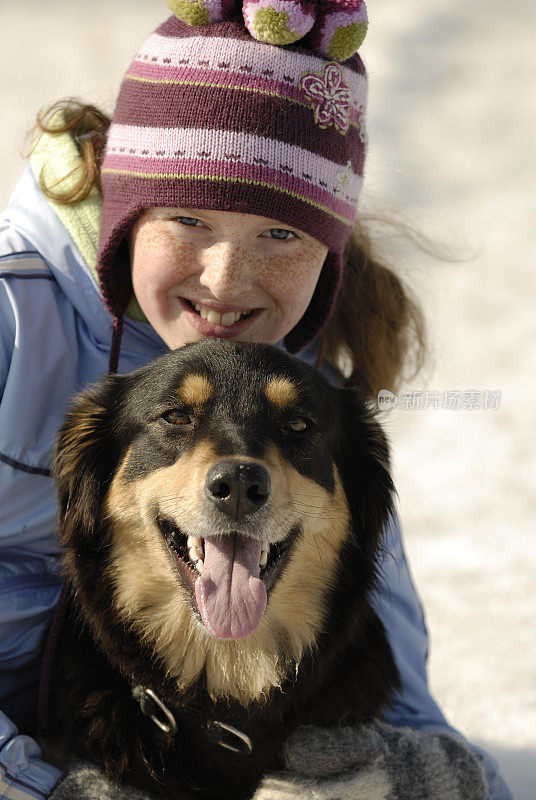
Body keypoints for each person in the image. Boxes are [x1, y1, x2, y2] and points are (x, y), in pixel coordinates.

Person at [0, 7, 512, 800]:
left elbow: (377, 624)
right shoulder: (12, 320)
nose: (224, 278)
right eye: (188, 219)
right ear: (129, 213)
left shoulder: (309, 403)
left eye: (281, 234)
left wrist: (421, 769)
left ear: (328, 254)